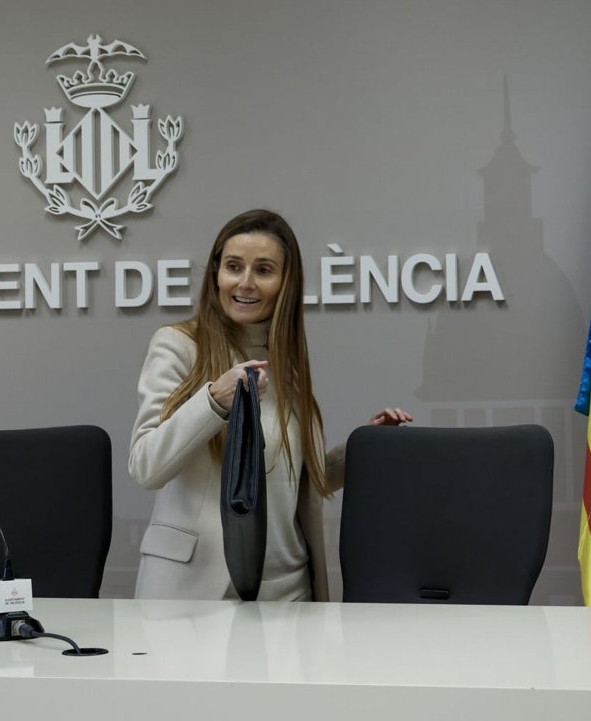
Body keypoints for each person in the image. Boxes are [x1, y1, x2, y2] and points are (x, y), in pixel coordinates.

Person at [128, 208, 412, 601]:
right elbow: (146, 466)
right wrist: (213, 401)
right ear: (216, 274)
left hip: (288, 589)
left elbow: (291, 480)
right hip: (195, 591)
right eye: (233, 266)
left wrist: (365, 447)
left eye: (263, 270)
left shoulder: (286, 362)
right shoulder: (178, 345)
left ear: (285, 282)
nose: (245, 283)